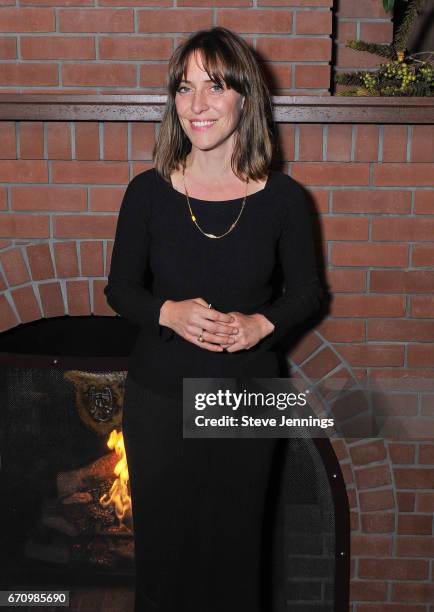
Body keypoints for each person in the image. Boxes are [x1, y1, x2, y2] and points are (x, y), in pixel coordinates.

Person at [104, 26, 323, 612]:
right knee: (163, 559)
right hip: (160, 396)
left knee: (235, 556)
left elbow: (307, 294)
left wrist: (262, 325)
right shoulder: (146, 192)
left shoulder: (283, 199)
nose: (197, 104)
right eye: (184, 88)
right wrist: (166, 312)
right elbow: (119, 290)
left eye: (215, 87)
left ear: (245, 98)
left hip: (247, 395)